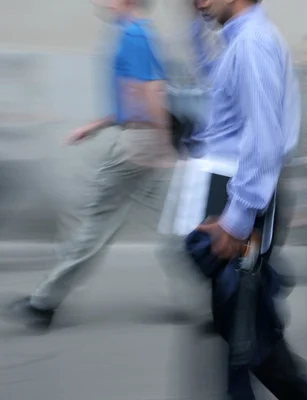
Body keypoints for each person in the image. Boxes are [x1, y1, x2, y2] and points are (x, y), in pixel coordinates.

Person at [189, 0, 307, 399]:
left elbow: (263, 140)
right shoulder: (241, 41)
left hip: (245, 205)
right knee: (241, 335)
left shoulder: (253, 44)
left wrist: (237, 220)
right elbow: (223, 90)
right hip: (240, 200)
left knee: (256, 346)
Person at [3, 0, 177, 329]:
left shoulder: (134, 34)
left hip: (137, 143)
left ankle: (44, 302)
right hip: (142, 138)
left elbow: (151, 90)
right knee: (173, 222)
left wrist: (160, 140)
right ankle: (213, 298)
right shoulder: (137, 32)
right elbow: (134, 95)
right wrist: (96, 126)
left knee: (94, 222)